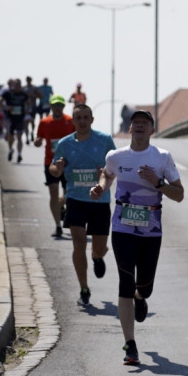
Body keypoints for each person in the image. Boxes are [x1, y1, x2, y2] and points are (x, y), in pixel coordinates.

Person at [90, 110, 183, 366]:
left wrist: (158, 183)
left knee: (145, 285)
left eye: (145, 123)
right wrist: (100, 187)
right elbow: (107, 175)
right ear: (129, 129)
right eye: (136, 123)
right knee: (125, 281)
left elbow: (179, 194)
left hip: (151, 229)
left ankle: (141, 297)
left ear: (152, 130)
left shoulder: (162, 157)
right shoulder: (116, 156)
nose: (140, 126)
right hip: (122, 228)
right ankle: (130, 344)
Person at [50, 103, 116, 305]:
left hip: (99, 199)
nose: (82, 121)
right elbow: (53, 169)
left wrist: (104, 175)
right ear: (73, 121)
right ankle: (84, 289)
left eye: (86, 117)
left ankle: (97, 257)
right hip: (75, 198)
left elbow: (114, 169)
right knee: (78, 242)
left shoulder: (104, 141)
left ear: (92, 120)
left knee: (100, 247)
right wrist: (58, 168)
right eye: (78, 118)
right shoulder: (64, 143)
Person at [34, 95, 75, 238]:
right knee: (53, 192)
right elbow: (39, 138)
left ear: (63, 107)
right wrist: (37, 141)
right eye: (55, 105)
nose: (57, 108)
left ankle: (61, 205)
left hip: (68, 163)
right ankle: (58, 226)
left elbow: (78, 138)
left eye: (60, 105)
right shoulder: (44, 122)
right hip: (50, 162)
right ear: (50, 107)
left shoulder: (70, 121)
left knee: (68, 194)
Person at [0, 78, 28, 162]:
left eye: (19, 85)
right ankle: (10, 150)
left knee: (19, 136)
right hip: (10, 118)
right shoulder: (7, 93)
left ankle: (19, 154)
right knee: (10, 137)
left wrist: (27, 110)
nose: (17, 86)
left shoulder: (24, 94)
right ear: (12, 85)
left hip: (20, 118)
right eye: (15, 85)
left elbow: (28, 103)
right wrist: (7, 107)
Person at [23, 76, 42, 144]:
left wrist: (34, 95)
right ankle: (27, 137)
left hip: (33, 107)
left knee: (32, 122)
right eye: (27, 80)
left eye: (29, 80)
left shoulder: (35, 88)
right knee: (26, 123)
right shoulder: (23, 88)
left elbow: (41, 96)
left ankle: (32, 133)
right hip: (25, 109)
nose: (28, 81)